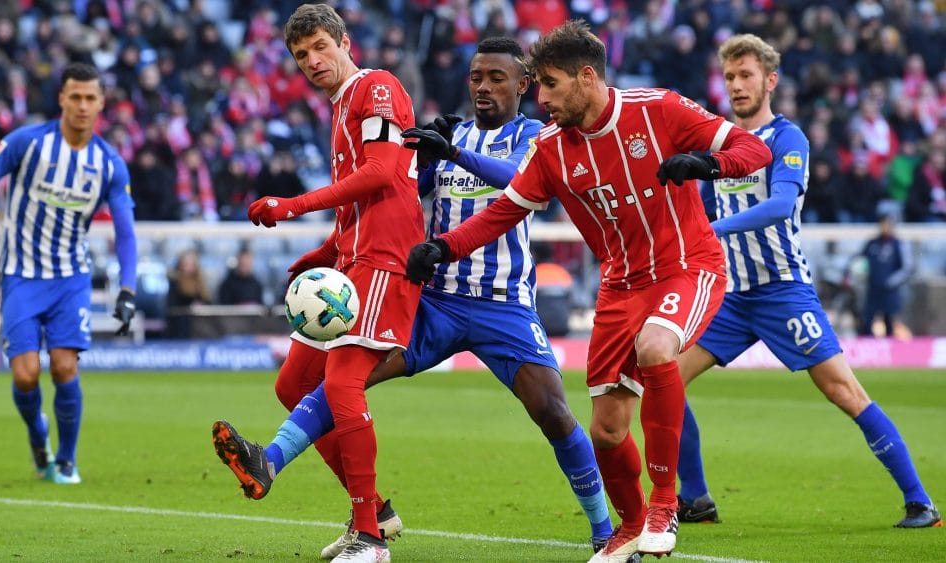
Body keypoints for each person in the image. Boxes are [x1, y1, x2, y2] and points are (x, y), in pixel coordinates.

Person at [226, 36, 619, 558]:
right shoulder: (448, 132)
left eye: (497, 78)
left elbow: (528, 187)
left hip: (503, 304)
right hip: (434, 300)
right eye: (476, 77)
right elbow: (402, 194)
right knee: (348, 376)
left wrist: (455, 153)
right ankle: (271, 461)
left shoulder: (539, 135)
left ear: (523, 85)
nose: (483, 87)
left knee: (551, 411)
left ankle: (603, 529)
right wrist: (424, 163)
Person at [406, 21, 772, 563]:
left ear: (586, 77)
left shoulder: (659, 108)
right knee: (605, 429)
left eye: (550, 85)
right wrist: (445, 247)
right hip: (620, 286)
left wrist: (708, 165)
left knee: (655, 349)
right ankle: (626, 529)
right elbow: (505, 211)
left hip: (687, 267)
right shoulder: (551, 147)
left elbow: (751, 150)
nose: (543, 98)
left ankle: (665, 503)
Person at [674, 34, 941, 530]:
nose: (737, 85)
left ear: (770, 81)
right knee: (665, 376)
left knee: (844, 391)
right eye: (730, 76)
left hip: (782, 290)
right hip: (731, 296)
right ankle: (695, 497)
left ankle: (920, 501)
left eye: (747, 75)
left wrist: (709, 231)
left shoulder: (787, 138)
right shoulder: (722, 141)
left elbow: (778, 206)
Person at [210, 4, 425, 562]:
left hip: (385, 261)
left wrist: (292, 206)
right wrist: (323, 251)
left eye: (319, 48)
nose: (311, 60)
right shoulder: (338, 111)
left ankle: (369, 539)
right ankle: (374, 508)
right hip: (352, 262)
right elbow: (361, 200)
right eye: (301, 55)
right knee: (292, 385)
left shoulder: (376, 87)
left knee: (343, 384)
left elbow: (381, 172)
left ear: (344, 42)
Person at [0, 62, 138, 485]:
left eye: (91, 98)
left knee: (63, 367)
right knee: (25, 374)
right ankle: (39, 439)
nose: (83, 106)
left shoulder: (109, 164)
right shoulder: (27, 142)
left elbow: (126, 234)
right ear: (61, 99)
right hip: (20, 275)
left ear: (101, 103)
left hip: (71, 278)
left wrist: (127, 288)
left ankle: (67, 460)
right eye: (75, 97)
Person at [849, 214, 911, 337]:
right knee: (867, 321)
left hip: (890, 291)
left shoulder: (898, 244)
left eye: (888, 225)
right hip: (873, 289)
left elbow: (906, 268)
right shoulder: (872, 243)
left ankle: (890, 350)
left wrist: (890, 282)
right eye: (883, 224)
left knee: (889, 322)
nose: (885, 227)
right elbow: (859, 259)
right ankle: (867, 349)